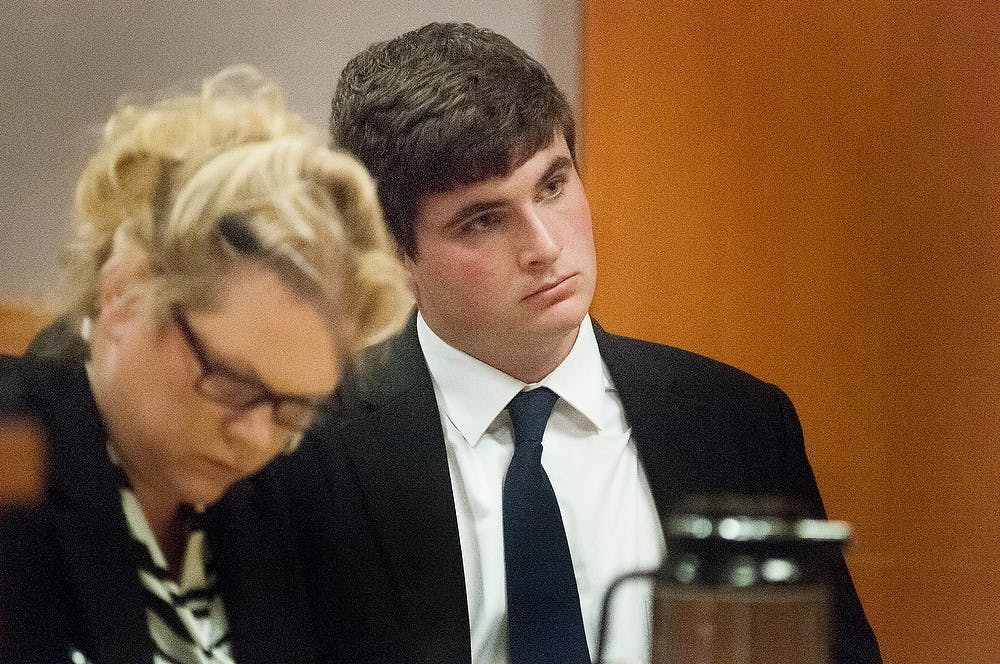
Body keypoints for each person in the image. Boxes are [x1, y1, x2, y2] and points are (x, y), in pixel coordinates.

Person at [289, 21, 881, 664]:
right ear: (390, 248)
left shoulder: (738, 422)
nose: (544, 247)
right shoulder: (308, 449)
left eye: (553, 184)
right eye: (483, 220)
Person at [0, 65, 410, 663]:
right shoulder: (14, 455)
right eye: (232, 385)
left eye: (295, 409)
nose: (256, 438)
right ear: (123, 293)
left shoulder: (302, 489)